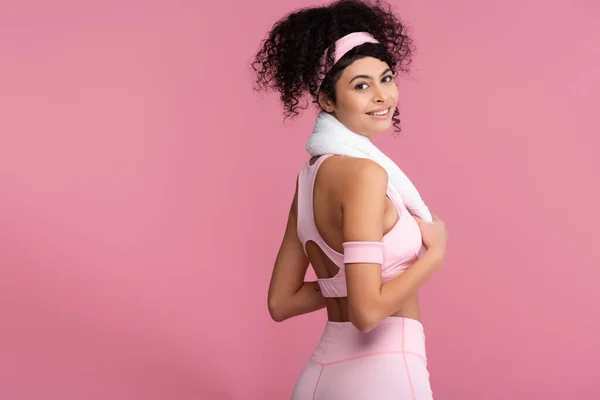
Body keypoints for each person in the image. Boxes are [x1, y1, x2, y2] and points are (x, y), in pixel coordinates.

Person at [251, 1, 448, 398]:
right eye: (361, 85)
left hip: (320, 378)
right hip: (386, 374)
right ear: (327, 101)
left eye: (386, 78)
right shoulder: (367, 176)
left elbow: (282, 302)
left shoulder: (309, 178)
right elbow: (366, 313)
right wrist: (435, 255)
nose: (382, 96)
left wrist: (355, 281)